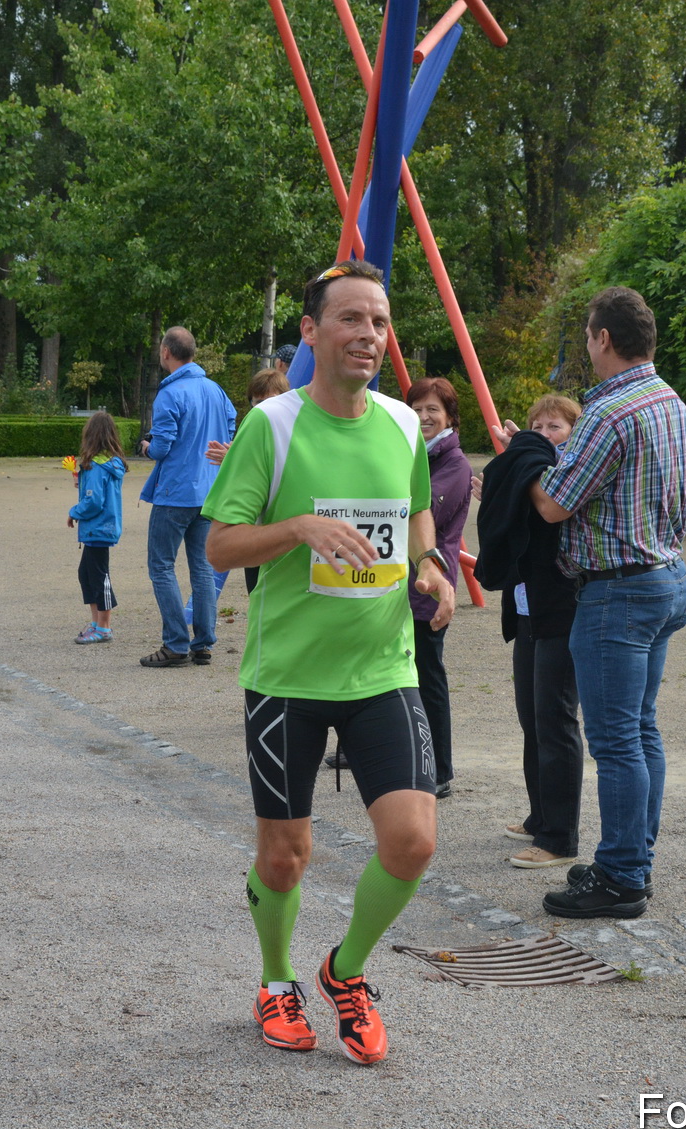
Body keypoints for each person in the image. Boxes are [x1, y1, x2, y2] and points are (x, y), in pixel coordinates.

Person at [204, 258, 456, 1065]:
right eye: (350, 319)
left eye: (379, 321)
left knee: (414, 840)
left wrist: (431, 564)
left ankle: (343, 971)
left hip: (384, 668)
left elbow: (416, 512)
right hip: (289, 680)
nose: (369, 335)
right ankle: (277, 979)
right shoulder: (271, 426)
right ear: (311, 332)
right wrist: (298, 528)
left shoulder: (403, 424)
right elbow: (218, 543)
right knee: (286, 854)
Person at [496, 286, 686, 920]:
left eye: (587, 334)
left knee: (616, 743)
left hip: (616, 593)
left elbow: (554, 502)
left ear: (603, 339)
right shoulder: (669, 400)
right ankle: (633, 854)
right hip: (666, 577)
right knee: (641, 729)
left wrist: (521, 461)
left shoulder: (610, 413)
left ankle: (621, 875)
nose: (587, 343)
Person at [474, 394, 586, 870]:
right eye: (536, 425)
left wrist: (519, 449)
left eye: (554, 427)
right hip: (526, 610)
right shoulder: (532, 468)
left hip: (562, 607)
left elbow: (550, 514)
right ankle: (541, 815)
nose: (542, 433)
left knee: (555, 718)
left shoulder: (572, 475)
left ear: (574, 435)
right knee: (530, 716)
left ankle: (560, 838)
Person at [137, 326, 235, 668]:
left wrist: (148, 447)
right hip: (210, 491)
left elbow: (162, 447)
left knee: (161, 565)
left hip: (175, 492)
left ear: (166, 352)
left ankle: (175, 644)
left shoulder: (170, 393)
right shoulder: (215, 390)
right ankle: (203, 643)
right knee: (203, 568)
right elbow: (231, 430)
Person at [404, 377, 471, 800]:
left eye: (433, 410)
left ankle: (441, 768)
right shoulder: (415, 455)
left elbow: (420, 511)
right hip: (401, 584)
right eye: (417, 408)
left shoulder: (453, 463)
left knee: (428, 678)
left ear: (449, 417)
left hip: (429, 588)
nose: (425, 417)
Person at [203, 366, 291, 595]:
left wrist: (235, 459)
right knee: (256, 590)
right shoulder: (253, 426)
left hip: (285, 532)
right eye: (257, 402)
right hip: (257, 530)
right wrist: (234, 460)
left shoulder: (296, 429)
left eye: (270, 401)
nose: (264, 407)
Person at [66, 411, 127, 644]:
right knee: (87, 575)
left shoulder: (96, 466)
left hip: (98, 528)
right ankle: (96, 623)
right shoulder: (109, 463)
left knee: (100, 577)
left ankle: (104, 627)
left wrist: (74, 511)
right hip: (103, 527)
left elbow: (93, 502)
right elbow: (97, 494)